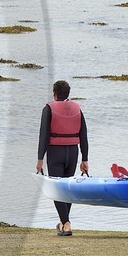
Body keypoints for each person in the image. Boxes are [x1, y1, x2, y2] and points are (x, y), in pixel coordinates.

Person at [36, 80, 89, 235]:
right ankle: (63, 221)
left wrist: (40, 159)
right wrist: (84, 159)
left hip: (55, 153)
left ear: (54, 93)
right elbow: (83, 135)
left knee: (57, 189)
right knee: (67, 188)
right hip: (73, 152)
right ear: (68, 93)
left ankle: (66, 224)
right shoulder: (77, 108)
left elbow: (44, 135)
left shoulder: (48, 109)